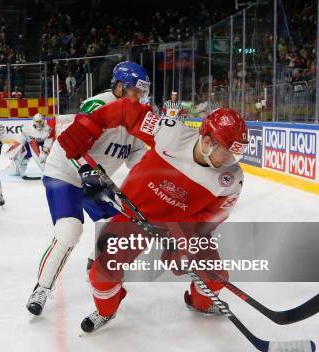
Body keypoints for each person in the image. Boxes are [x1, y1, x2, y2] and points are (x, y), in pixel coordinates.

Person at [66, 106, 248, 333]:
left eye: (235, 154)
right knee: (102, 274)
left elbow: (212, 217)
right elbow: (126, 112)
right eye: (228, 152)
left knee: (215, 276)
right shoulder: (170, 133)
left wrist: (183, 241)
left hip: (180, 225)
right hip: (135, 214)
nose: (231, 160)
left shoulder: (231, 179)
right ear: (208, 141)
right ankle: (106, 311)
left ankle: (202, 303)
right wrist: (86, 127)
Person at [25, 61, 152, 317]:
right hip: (65, 172)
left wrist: (149, 181)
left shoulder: (137, 116)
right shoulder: (98, 105)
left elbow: (137, 156)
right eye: (135, 91)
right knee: (70, 230)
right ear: (118, 87)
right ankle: (42, 287)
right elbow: (74, 145)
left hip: (95, 178)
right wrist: (86, 169)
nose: (140, 97)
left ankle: (96, 263)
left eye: (143, 92)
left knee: (121, 222)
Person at [6, 113, 54, 177]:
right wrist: (14, 150)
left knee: (46, 157)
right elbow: (20, 139)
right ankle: (19, 169)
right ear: (34, 121)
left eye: (40, 121)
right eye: (37, 121)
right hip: (31, 142)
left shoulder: (47, 129)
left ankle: (49, 171)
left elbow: (48, 141)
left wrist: (44, 152)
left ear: (42, 121)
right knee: (26, 154)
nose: (38, 123)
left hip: (43, 142)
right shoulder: (26, 128)